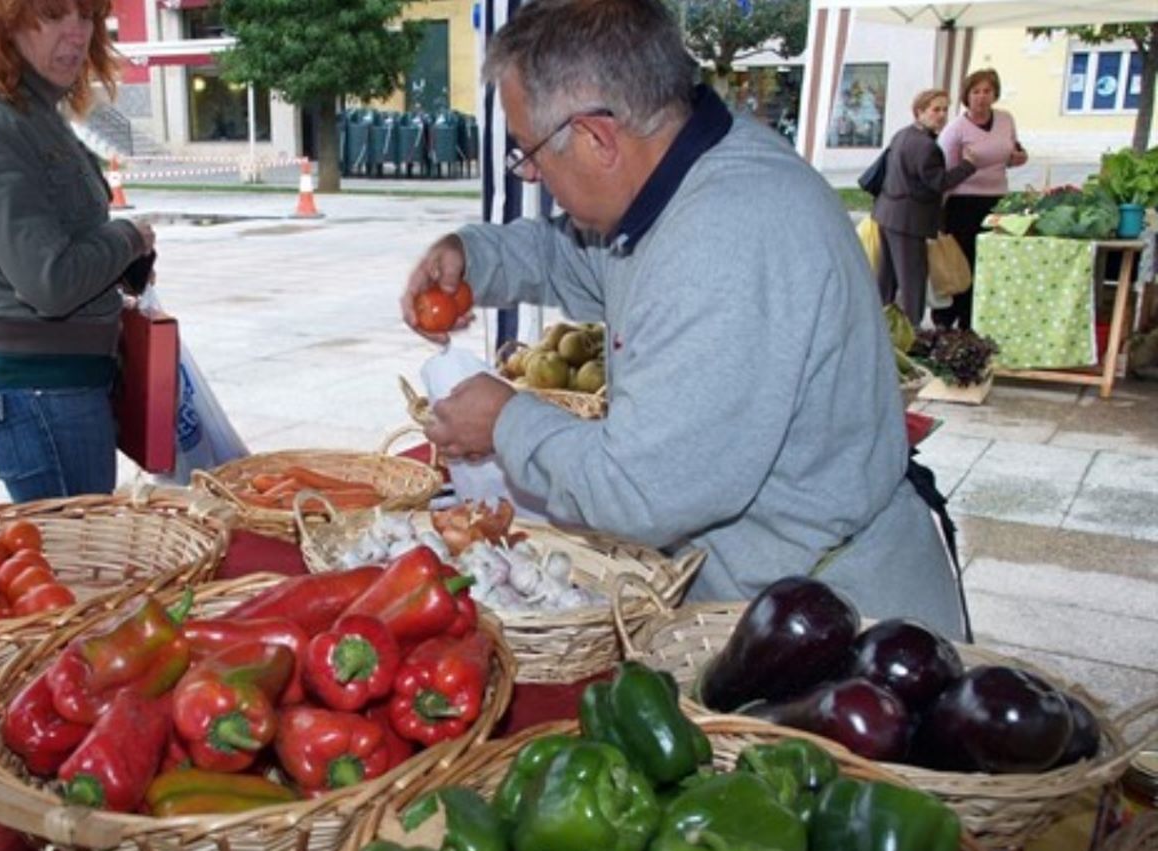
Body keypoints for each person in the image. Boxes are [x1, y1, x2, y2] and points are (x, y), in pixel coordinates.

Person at [401, 0, 967, 638]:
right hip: (770, 592)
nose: (529, 171)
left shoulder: (724, 237)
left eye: (529, 151)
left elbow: (639, 492)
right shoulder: (675, 173)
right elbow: (577, 258)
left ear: (596, 137)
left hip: (831, 626)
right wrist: (474, 257)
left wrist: (506, 420)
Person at [0, 0, 154, 502]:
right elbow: (50, 282)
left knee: (86, 563)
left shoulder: (31, 111)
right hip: (39, 391)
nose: (75, 34)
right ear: (5, 22)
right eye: (52, 16)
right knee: (84, 569)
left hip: (62, 384)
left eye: (87, 16)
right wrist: (130, 237)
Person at [873, 89, 977, 326]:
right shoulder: (925, 146)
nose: (941, 115)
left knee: (886, 280)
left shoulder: (903, 135)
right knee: (913, 282)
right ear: (920, 112)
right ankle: (911, 332)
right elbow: (938, 182)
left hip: (889, 214)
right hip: (908, 220)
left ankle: (880, 329)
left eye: (944, 109)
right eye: (935, 109)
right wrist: (968, 165)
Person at [936, 69, 1027, 330]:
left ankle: (977, 318)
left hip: (996, 200)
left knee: (989, 260)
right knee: (962, 261)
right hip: (963, 202)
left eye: (987, 91)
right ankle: (949, 319)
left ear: (995, 94)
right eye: (976, 92)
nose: (981, 97)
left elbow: (1011, 151)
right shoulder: (956, 129)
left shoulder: (1006, 120)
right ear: (967, 96)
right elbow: (945, 174)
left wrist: (1018, 158)